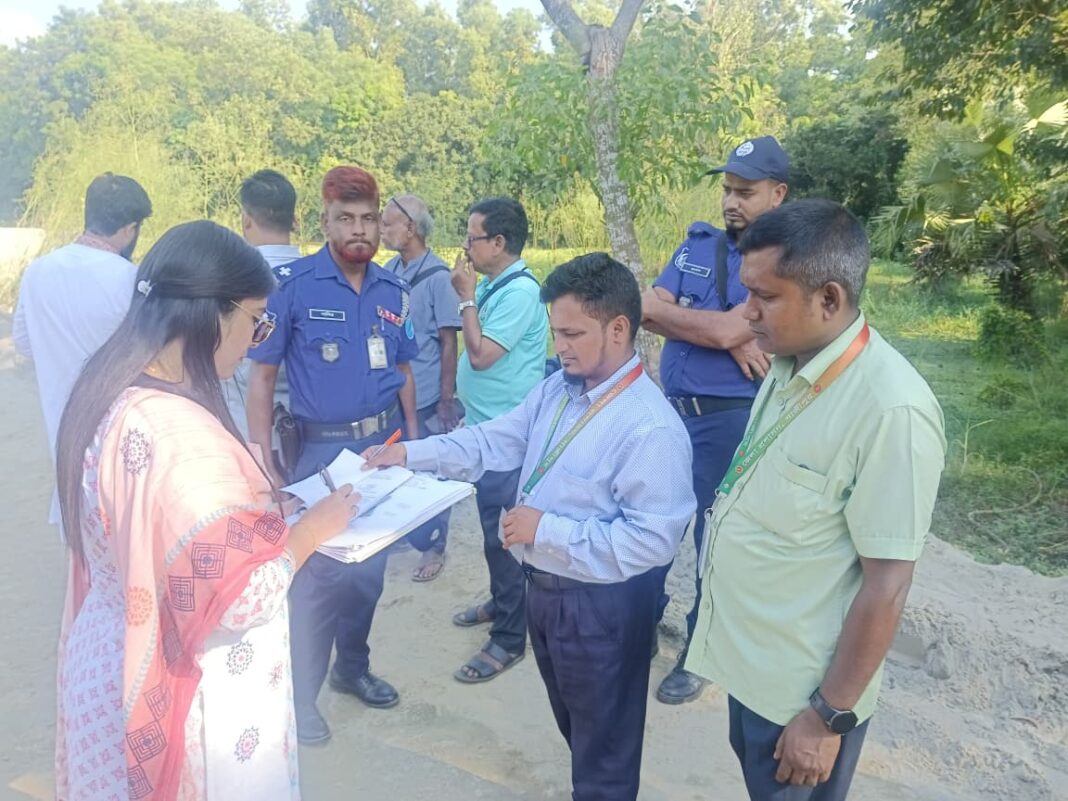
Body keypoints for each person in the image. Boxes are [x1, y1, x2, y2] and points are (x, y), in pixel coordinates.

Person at [367, 253, 695, 800]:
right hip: (545, 595)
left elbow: (654, 541)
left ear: (618, 329)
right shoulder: (558, 390)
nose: (559, 346)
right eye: (555, 332)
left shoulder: (649, 427)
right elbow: (492, 440)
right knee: (580, 732)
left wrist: (547, 530)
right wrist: (408, 455)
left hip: (601, 607)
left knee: (605, 756)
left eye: (572, 334)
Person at [53, 220, 360, 801]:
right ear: (213, 313)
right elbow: (239, 596)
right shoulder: (180, 435)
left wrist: (256, 512)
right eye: (256, 319)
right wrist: (312, 530)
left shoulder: (109, 386)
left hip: (108, 656)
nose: (257, 339)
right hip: (182, 684)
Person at [686, 200, 946, 800]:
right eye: (747, 293)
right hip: (753, 670)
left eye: (765, 297)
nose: (746, 314)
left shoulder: (892, 411)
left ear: (829, 299)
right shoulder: (787, 363)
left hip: (801, 702)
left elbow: (888, 585)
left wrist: (827, 716)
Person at [246, 165, 418, 745]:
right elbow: (261, 378)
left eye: (368, 218)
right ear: (324, 222)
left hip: (379, 451)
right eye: (346, 218)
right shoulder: (292, 285)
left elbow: (403, 370)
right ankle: (300, 697)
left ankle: (353, 668)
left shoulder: (394, 291)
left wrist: (414, 442)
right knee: (317, 579)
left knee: (368, 573)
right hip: (317, 454)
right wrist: (262, 458)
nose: (359, 229)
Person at [641, 135, 789, 704]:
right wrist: (722, 334)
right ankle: (643, 624)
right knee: (654, 522)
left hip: (730, 421)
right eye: (727, 189)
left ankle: (699, 650)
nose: (731, 201)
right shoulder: (697, 244)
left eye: (745, 192)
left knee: (713, 540)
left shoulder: (786, 259)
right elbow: (646, 307)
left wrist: (705, 325)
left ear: (777, 194)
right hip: (672, 414)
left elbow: (725, 325)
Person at [13, 172, 152, 534]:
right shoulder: (130, 279)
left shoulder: (37, 272)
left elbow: (24, 343)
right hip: (121, 443)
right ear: (130, 229)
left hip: (63, 440)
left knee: (79, 549)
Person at [447, 197, 549, 683]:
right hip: (484, 428)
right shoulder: (496, 284)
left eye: (472, 238)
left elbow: (482, 355)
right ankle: (501, 601)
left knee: (504, 535)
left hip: (506, 436)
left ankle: (510, 637)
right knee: (492, 530)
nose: (467, 247)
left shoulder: (520, 292)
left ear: (499, 242)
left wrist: (466, 298)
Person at [380, 193, 462, 582]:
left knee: (429, 467)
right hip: (394, 390)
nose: (381, 230)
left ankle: (433, 544)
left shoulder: (438, 278)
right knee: (396, 461)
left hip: (427, 392)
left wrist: (446, 399)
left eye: (387, 223)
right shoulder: (390, 270)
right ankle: (406, 529)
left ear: (410, 228)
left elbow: (449, 342)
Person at [223, 169, 301, 446]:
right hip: (311, 432)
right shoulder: (320, 280)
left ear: (246, 220)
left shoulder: (230, 281)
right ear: (294, 220)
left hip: (247, 432)